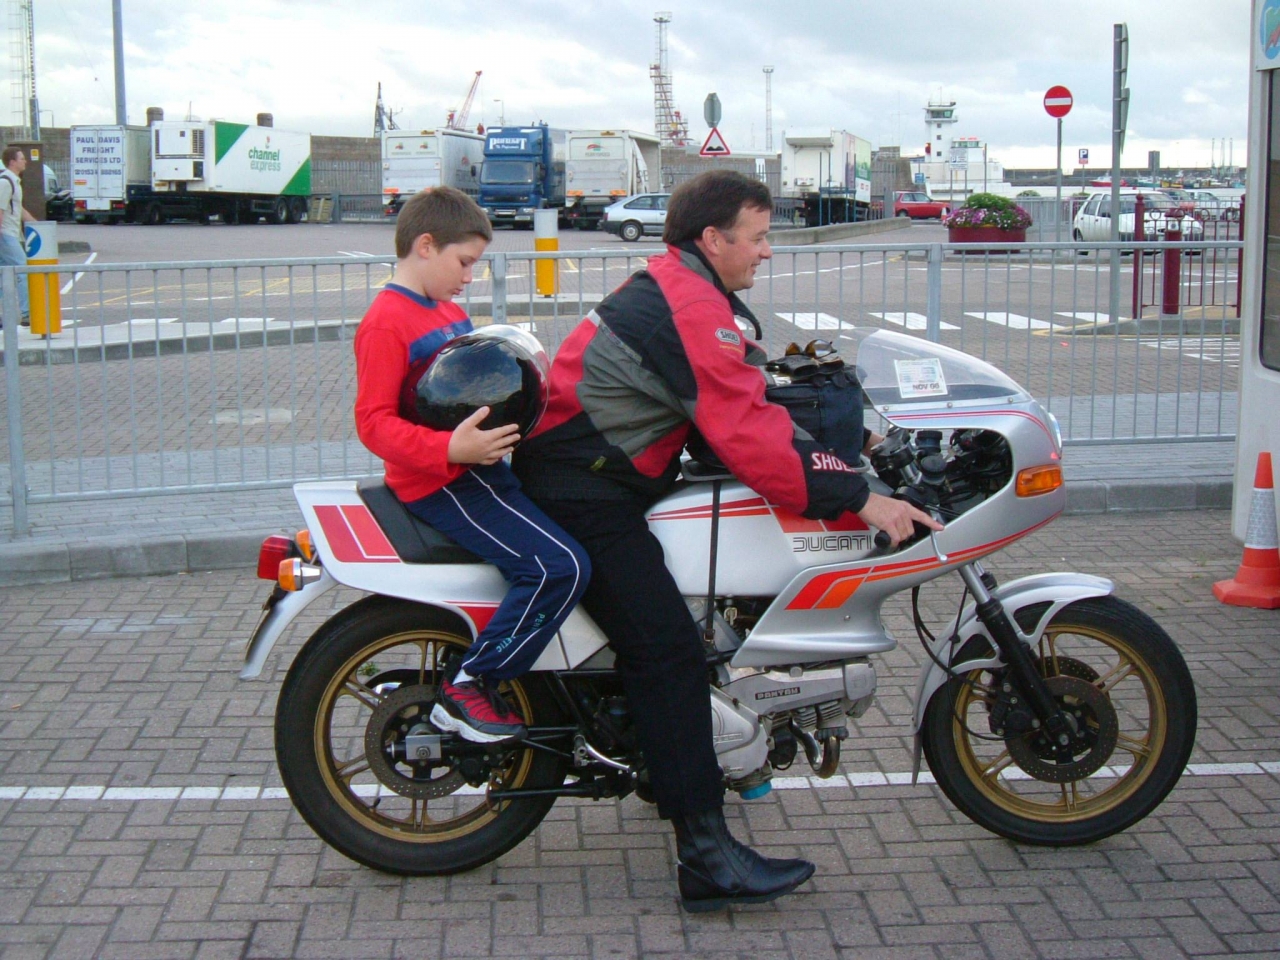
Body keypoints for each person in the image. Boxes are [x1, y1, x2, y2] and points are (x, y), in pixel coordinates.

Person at [514, 169, 942, 912]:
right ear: (714, 239)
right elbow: (749, 433)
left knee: (681, 626)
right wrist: (860, 497)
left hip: (604, 476)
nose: (768, 251)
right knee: (667, 651)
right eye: (760, 235)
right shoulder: (688, 304)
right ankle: (707, 858)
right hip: (582, 490)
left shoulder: (690, 290)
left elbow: (752, 394)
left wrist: (864, 440)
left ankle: (670, 761)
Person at [353, 186, 589, 744]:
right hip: (442, 483)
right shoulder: (387, 321)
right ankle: (470, 683)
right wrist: (449, 452)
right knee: (562, 567)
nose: (468, 277)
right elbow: (373, 422)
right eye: (464, 263)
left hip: (479, 471)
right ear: (426, 246)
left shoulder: (449, 311)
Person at [0, 146, 35, 326]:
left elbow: (18, 209)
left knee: (3, 274)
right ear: (12, 162)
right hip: (6, 235)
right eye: (22, 158)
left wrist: (37, 224)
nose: (25, 161)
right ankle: (27, 313)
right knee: (23, 268)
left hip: (10, 234)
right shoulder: (6, 182)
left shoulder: (14, 182)